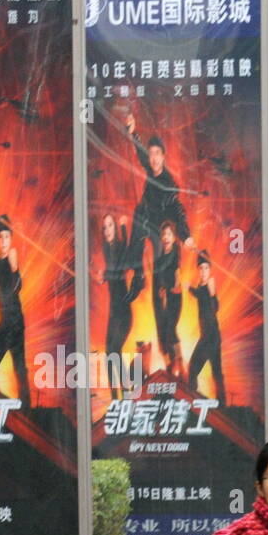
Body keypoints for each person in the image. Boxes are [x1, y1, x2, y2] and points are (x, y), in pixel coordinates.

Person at [122, 112, 196, 275]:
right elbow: (142, 154)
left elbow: (178, 209)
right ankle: (133, 266)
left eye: (157, 154)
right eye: (152, 154)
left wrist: (186, 236)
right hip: (145, 217)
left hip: (160, 225)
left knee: (162, 266)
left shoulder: (169, 184)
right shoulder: (150, 166)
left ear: (163, 157)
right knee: (139, 217)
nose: (154, 158)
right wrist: (133, 132)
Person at [0, 215, 30, 402]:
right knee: (19, 367)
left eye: (7, 237)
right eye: (0, 237)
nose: (3, 241)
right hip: (14, 321)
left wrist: (15, 269)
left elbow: (16, 286)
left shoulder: (11, 257)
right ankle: (20, 406)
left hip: (11, 323)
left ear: (11, 239)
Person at [99, 212, 143, 399]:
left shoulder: (117, 247)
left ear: (115, 229)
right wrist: (103, 276)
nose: (107, 230)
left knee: (113, 350)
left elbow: (119, 265)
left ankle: (125, 394)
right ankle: (116, 397)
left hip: (123, 312)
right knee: (109, 352)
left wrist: (124, 227)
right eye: (105, 227)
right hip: (113, 311)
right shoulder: (106, 247)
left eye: (110, 225)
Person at [187, 252, 226, 403]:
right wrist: (189, 288)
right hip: (211, 336)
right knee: (217, 373)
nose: (203, 272)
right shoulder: (201, 286)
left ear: (210, 270)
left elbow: (215, 307)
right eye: (201, 268)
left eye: (206, 268)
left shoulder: (210, 285)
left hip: (210, 337)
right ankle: (221, 405)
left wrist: (212, 294)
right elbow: (198, 294)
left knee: (193, 369)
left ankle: (193, 401)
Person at [151, 220, 185, 380]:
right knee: (162, 336)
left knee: (170, 329)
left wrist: (175, 286)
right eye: (164, 234)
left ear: (174, 237)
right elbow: (156, 280)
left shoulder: (175, 252)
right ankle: (169, 365)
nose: (166, 237)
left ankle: (179, 360)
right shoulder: (158, 259)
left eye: (169, 234)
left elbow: (177, 272)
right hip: (160, 298)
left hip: (174, 296)